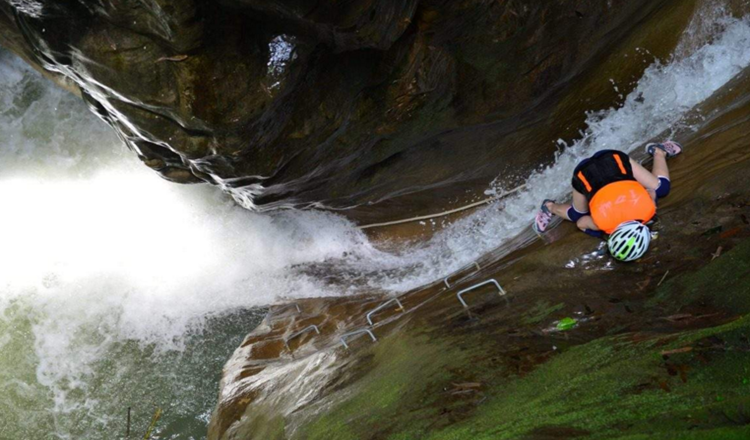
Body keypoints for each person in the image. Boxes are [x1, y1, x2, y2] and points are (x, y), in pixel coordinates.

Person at [534, 141, 682, 262]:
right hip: (584, 173)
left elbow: (651, 192)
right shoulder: (602, 224)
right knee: (577, 215)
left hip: (613, 158)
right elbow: (581, 223)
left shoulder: (648, 210)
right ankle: (549, 207)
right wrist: (598, 233)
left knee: (661, 189)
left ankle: (659, 151)